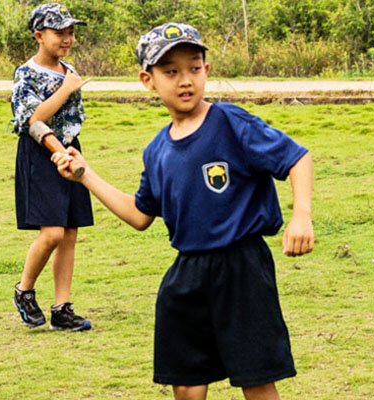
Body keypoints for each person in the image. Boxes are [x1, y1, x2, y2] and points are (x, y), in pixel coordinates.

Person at [52, 22, 314, 399]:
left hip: (242, 266)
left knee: (256, 377)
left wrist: (301, 215)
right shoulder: (156, 150)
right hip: (188, 271)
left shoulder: (231, 123)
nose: (185, 80)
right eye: (170, 71)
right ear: (149, 80)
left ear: (206, 71)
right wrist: (86, 176)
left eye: (194, 67)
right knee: (187, 384)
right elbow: (141, 215)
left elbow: (297, 158)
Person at [11, 3, 93, 332]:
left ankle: (62, 308)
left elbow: (70, 119)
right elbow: (33, 119)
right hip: (41, 154)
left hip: (69, 150)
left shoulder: (67, 69)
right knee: (53, 232)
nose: (68, 39)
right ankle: (24, 290)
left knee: (70, 232)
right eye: (60, 33)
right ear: (39, 36)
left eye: (71, 32)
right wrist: (68, 88)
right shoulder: (26, 74)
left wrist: (70, 153)